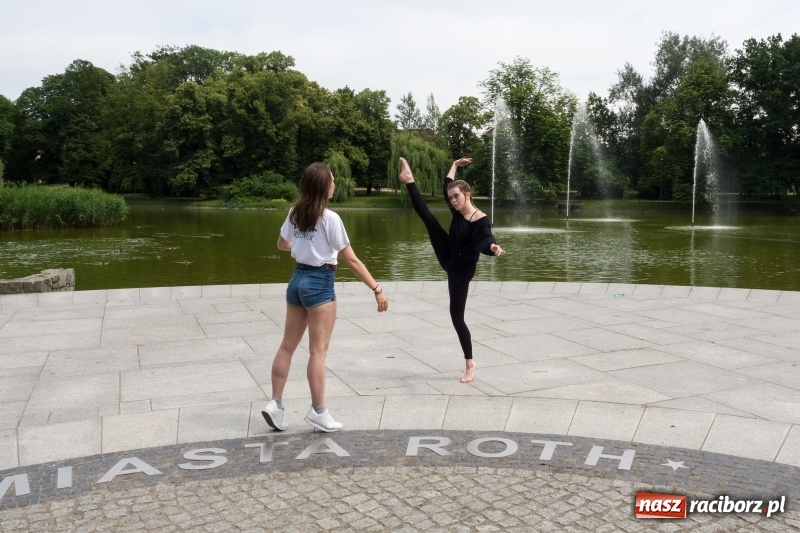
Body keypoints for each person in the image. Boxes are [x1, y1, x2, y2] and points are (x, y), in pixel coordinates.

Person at [262, 162, 389, 433]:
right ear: (323, 187)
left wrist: (303, 245)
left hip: (296, 280)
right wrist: (376, 289)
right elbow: (352, 260)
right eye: (332, 181)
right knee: (318, 351)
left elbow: (282, 244)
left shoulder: (295, 212)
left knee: (287, 346)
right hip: (320, 281)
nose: (335, 184)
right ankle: (319, 412)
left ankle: (276, 404)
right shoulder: (330, 218)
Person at [398, 156, 504, 383]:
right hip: (448, 253)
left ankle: (470, 364)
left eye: (457, 197)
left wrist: (492, 247)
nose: (453, 201)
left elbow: (485, 239)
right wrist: (455, 165)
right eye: (451, 198)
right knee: (429, 220)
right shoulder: (457, 210)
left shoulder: (480, 220)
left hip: (462, 268)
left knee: (457, 317)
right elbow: (448, 183)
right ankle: (409, 180)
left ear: (468, 195)